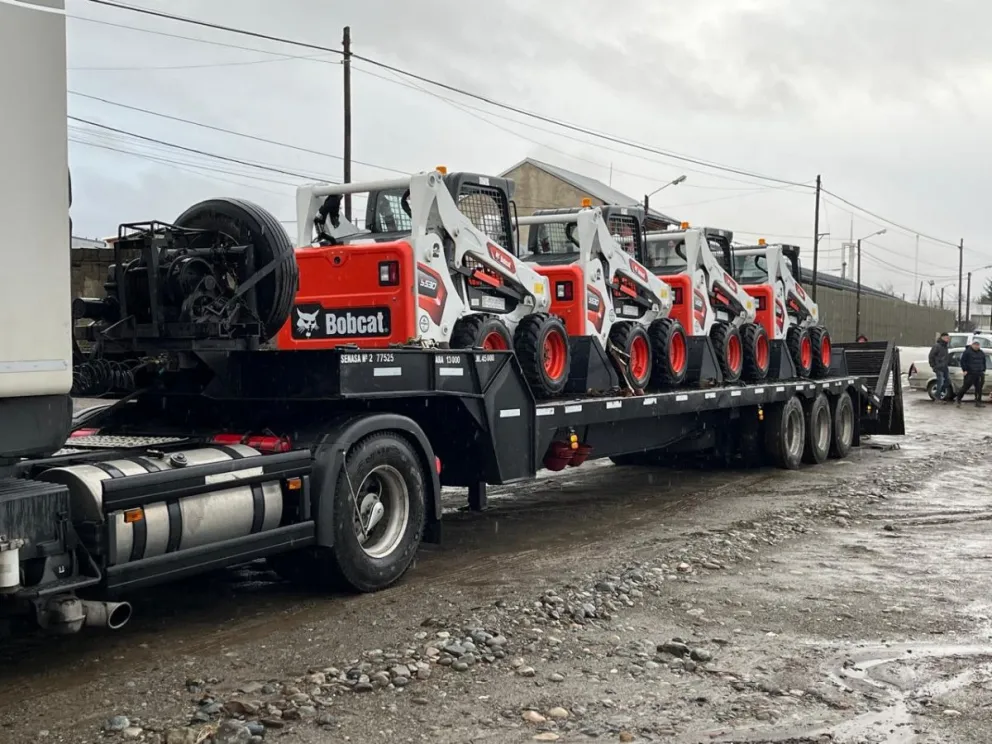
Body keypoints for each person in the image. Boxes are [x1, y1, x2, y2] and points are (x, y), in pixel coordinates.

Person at [957, 339, 987, 407]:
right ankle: (958, 399)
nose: (976, 346)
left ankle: (978, 402)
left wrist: (983, 369)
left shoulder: (981, 352)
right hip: (970, 373)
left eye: (978, 345)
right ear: (972, 345)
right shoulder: (967, 352)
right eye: (975, 344)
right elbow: (962, 361)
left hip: (979, 373)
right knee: (965, 387)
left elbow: (984, 361)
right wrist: (964, 370)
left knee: (979, 388)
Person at [928, 332, 952, 402]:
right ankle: (937, 397)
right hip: (938, 367)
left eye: (948, 338)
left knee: (947, 381)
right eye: (947, 338)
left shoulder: (945, 346)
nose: (948, 339)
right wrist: (933, 366)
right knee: (940, 382)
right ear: (942, 338)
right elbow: (931, 356)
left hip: (944, 367)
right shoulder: (937, 346)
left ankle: (938, 393)